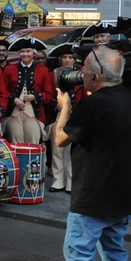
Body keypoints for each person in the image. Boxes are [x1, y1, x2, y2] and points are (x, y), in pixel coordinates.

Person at [42, 47, 131, 261]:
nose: (80, 73)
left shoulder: (94, 104)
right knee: (115, 252)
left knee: (79, 260)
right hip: (124, 195)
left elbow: (60, 139)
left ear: (94, 75)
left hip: (93, 197)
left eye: (83, 68)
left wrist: (64, 106)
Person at [46, 43, 83, 193]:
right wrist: (56, 104)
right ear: (60, 60)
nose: (67, 60)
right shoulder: (52, 74)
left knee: (72, 150)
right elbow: (48, 93)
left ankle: (71, 182)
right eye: (65, 58)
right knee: (57, 149)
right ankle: (58, 180)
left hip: (75, 115)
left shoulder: (80, 74)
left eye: (70, 57)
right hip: (59, 115)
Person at [4, 37, 55, 144]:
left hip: (34, 113)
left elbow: (49, 94)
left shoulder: (43, 70)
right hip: (14, 113)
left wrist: (35, 96)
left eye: (28, 51)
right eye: (22, 51)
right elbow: (3, 90)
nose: (25, 54)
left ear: (34, 53)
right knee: (15, 143)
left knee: (33, 143)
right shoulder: (9, 69)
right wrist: (14, 99)